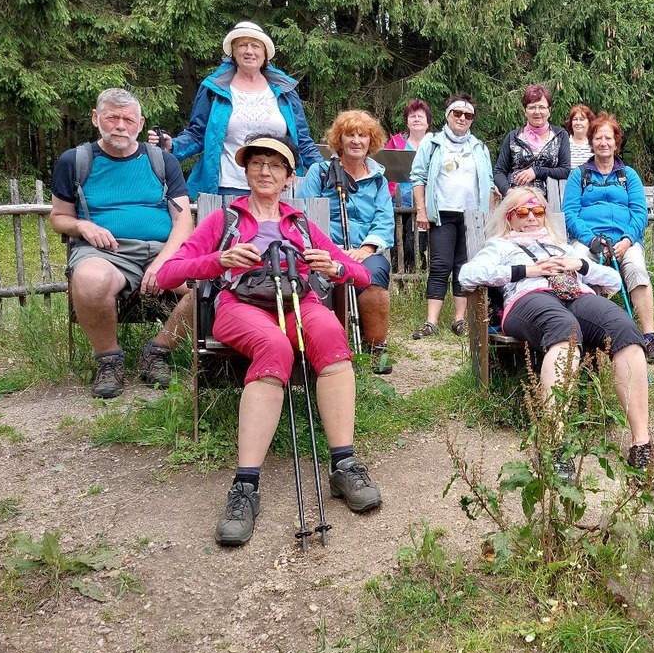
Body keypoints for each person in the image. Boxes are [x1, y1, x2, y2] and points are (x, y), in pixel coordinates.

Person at [157, 134, 382, 546]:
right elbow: (169, 273)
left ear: (289, 177)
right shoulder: (224, 221)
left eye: (275, 165)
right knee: (275, 346)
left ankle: (344, 465)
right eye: (257, 163)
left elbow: (362, 275)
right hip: (241, 305)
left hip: (301, 299)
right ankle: (245, 487)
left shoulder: (302, 225)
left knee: (332, 336)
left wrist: (333, 266)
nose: (265, 171)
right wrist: (218, 260)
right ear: (245, 170)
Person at [459, 188, 654, 486]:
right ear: (509, 218)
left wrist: (580, 265)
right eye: (522, 212)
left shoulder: (565, 247)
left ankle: (641, 443)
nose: (531, 218)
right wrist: (527, 270)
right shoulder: (499, 245)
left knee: (625, 329)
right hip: (529, 299)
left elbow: (614, 280)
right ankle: (554, 442)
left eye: (538, 212)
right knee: (564, 328)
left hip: (576, 294)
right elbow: (468, 275)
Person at [49, 88, 195, 399]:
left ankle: (158, 352)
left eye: (128, 119)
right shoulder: (75, 161)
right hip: (105, 252)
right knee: (90, 280)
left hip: (162, 250)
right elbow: (59, 217)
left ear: (140, 124)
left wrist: (162, 262)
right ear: (96, 118)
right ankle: (109, 361)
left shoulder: (162, 161)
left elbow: (183, 220)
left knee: (208, 287)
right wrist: (81, 225)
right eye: (112, 117)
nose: (120, 126)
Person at [150, 21, 322, 197]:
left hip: (277, 188)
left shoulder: (285, 90)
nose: (249, 51)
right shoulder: (214, 88)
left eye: (255, 46)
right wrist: (174, 145)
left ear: (265, 54)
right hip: (227, 186)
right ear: (233, 52)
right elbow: (198, 133)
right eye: (242, 45)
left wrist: (324, 168)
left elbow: (302, 141)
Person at [296, 110, 396, 374]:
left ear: (370, 141)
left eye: (362, 135)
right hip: (324, 250)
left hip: (365, 251)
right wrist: (332, 250)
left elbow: (385, 221)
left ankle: (376, 348)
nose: (356, 141)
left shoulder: (378, 180)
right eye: (350, 134)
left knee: (374, 277)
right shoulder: (319, 172)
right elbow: (303, 214)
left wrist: (366, 249)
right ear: (339, 140)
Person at [561, 113, 654, 364]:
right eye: (598, 137)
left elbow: (640, 212)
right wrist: (590, 239)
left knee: (637, 268)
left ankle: (649, 336)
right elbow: (570, 214)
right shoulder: (579, 175)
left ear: (616, 142)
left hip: (624, 241)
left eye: (608, 137)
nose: (603, 142)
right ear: (591, 141)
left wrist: (628, 240)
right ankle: (591, 335)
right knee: (582, 265)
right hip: (589, 241)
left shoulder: (629, 175)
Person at [409, 94, 495, 339]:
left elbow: (488, 183)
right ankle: (431, 322)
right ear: (448, 115)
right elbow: (418, 177)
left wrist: (486, 218)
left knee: (463, 267)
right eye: (457, 113)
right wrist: (422, 211)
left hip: (471, 215)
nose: (462, 118)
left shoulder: (479, 146)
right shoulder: (432, 142)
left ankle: (460, 320)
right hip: (442, 213)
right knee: (440, 265)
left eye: (468, 115)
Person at [493, 83, 571, 196]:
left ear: (549, 111)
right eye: (532, 107)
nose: (537, 112)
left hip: (551, 200)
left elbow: (565, 171)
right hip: (517, 199)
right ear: (525, 111)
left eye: (542, 107)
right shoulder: (513, 137)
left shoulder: (560, 135)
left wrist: (536, 171)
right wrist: (507, 191)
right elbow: (499, 172)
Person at [385, 99, 432, 272]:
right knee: (397, 244)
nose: (417, 119)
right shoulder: (395, 142)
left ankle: (418, 279)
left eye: (421, 116)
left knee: (416, 244)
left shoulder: (435, 144)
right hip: (396, 202)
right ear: (407, 121)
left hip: (423, 204)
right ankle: (399, 282)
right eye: (412, 116)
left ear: (428, 122)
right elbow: (385, 169)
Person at [564, 103, 595, 169]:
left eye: (582, 119)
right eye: (575, 119)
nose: (578, 123)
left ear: (589, 122)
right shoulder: (564, 143)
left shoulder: (594, 144)